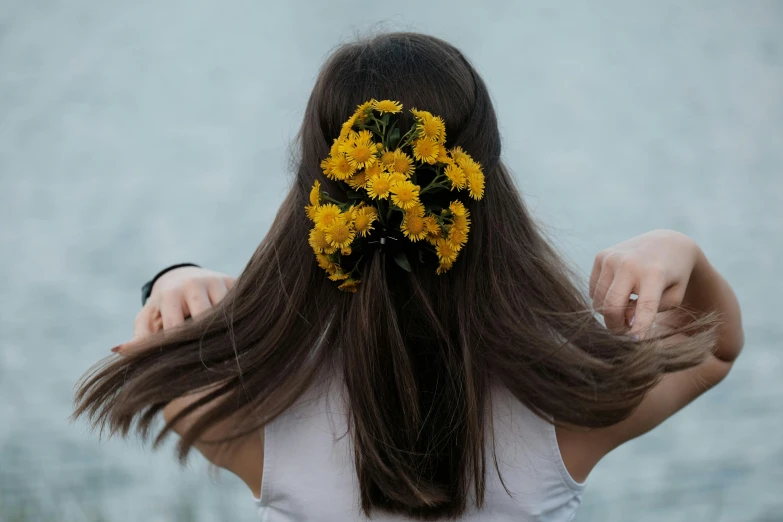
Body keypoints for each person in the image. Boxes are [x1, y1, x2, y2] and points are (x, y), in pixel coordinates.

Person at [74, 32, 743, 522]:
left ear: (315, 187)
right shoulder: (567, 410)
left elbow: (166, 359)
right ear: (484, 184)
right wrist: (677, 247)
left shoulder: (238, 417)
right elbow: (713, 348)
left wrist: (172, 282)